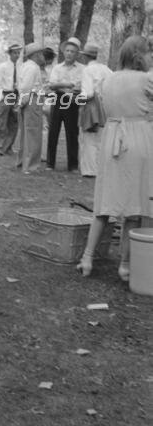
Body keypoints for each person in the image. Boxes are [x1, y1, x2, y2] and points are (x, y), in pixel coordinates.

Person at [77, 36, 153, 281]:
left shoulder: (109, 79)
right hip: (137, 139)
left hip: (111, 140)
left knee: (104, 202)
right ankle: (125, 264)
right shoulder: (147, 79)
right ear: (139, 56)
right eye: (149, 53)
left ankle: (87, 257)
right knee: (134, 206)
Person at [46, 37, 84, 172]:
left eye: (72, 51)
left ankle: (73, 165)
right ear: (63, 52)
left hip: (72, 102)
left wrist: (60, 85)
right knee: (53, 131)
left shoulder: (82, 69)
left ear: (77, 54)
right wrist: (66, 85)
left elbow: (79, 87)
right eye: (67, 50)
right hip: (58, 100)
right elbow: (52, 85)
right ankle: (50, 163)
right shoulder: (57, 68)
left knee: (72, 132)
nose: (69, 53)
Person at [78, 44, 112, 177]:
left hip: (92, 106)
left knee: (89, 137)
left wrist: (77, 99)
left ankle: (90, 170)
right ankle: (101, 168)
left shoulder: (87, 70)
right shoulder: (107, 69)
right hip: (105, 106)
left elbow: (88, 93)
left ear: (85, 56)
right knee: (101, 138)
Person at [15, 42, 46, 174]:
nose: (43, 56)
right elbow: (26, 87)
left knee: (27, 132)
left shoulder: (27, 66)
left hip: (29, 101)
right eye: (41, 53)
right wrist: (23, 102)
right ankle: (30, 165)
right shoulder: (32, 68)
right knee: (32, 132)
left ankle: (23, 161)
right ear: (36, 54)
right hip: (31, 101)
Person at [0, 44, 21, 156]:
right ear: (10, 54)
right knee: (2, 122)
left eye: (18, 53)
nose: (17, 55)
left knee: (14, 122)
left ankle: (8, 146)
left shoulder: (20, 67)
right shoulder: (3, 66)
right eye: (15, 53)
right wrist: (0, 97)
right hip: (6, 94)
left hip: (15, 95)